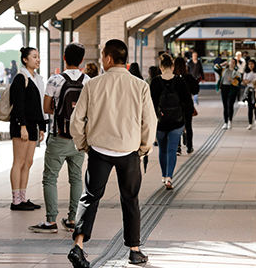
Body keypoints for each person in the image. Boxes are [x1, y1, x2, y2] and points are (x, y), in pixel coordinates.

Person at [67, 39, 157, 268]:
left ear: (108, 58)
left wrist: (84, 145)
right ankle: (134, 250)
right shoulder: (140, 85)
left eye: (102, 55)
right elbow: (150, 121)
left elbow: (76, 121)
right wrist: (143, 148)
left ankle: (78, 246)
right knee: (130, 199)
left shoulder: (93, 84)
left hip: (99, 150)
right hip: (129, 151)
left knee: (90, 197)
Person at [28, 43, 89, 234]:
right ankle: (72, 219)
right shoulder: (88, 80)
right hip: (79, 137)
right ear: (82, 60)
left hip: (58, 135)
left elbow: (46, 108)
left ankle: (50, 221)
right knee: (76, 178)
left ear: (64, 58)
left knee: (50, 178)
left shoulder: (55, 80)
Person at [9, 47, 47, 211]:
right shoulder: (20, 77)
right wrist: (22, 126)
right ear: (25, 59)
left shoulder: (37, 78)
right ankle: (15, 200)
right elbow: (18, 105)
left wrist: (42, 127)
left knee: (28, 162)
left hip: (33, 125)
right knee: (19, 162)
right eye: (34, 57)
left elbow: (39, 106)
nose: (37, 60)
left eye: (38, 57)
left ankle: (23, 198)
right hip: (21, 125)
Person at [149, 54, 193, 189]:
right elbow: (187, 102)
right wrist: (186, 122)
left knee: (162, 149)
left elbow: (150, 103)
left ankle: (163, 176)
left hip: (160, 122)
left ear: (161, 68)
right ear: (172, 67)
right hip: (177, 122)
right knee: (172, 150)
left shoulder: (155, 82)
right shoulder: (180, 81)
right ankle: (169, 177)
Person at [174, 57, 198, 154]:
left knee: (177, 126)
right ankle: (189, 146)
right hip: (187, 104)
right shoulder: (188, 77)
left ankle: (178, 147)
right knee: (188, 126)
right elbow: (195, 90)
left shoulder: (173, 78)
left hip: (176, 106)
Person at [218, 58, 240, 129]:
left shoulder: (236, 72)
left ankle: (230, 121)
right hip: (224, 88)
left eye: (233, 62)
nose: (232, 63)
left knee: (230, 105)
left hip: (232, 89)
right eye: (231, 62)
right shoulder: (224, 70)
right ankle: (225, 122)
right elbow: (215, 68)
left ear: (235, 64)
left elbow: (238, 82)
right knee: (225, 106)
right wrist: (223, 64)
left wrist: (232, 80)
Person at [242, 59, 256, 130]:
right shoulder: (246, 73)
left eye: (252, 64)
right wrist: (246, 81)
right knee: (250, 107)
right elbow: (243, 83)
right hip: (249, 91)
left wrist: (255, 82)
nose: (250, 65)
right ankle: (250, 123)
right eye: (249, 64)